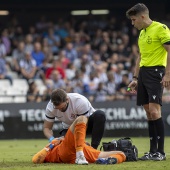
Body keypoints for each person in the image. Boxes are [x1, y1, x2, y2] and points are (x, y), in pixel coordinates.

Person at [126, 3, 170, 161]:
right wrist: (135, 78)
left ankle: (161, 152)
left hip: (156, 71)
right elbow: (140, 56)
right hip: (144, 73)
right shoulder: (142, 33)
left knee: (154, 111)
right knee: (149, 114)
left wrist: (168, 74)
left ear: (142, 17)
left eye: (133, 20)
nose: (133, 23)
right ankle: (152, 151)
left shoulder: (161, 28)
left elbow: (169, 50)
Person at [33, 116, 126, 165]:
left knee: (122, 154)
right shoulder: (54, 145)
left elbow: (35, 159)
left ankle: (106, 161)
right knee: (82, 118)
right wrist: (53, 143)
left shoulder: (53, 145)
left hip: (83, 152)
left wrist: (53, 142)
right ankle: (80, 155)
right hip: (66, 151)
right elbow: (36, 160)